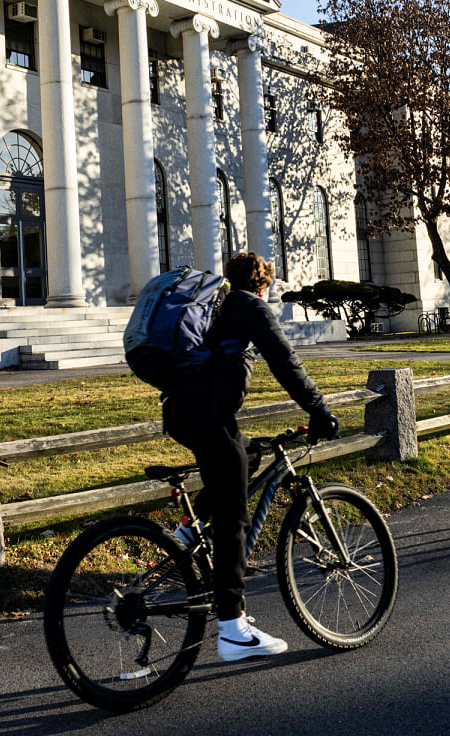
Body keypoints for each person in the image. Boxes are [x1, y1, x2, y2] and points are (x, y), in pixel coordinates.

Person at [161, 251, 339, 662]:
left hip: (184, 410)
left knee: (246, 454)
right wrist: (319, 410)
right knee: (234, 520)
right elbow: (285, 362)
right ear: (265, 284)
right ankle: (232, 628)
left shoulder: (220, 304)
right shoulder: (250, 305)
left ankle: (192, 528)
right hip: (206, 413)